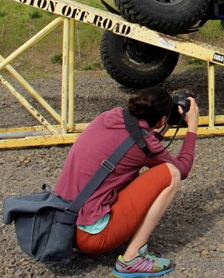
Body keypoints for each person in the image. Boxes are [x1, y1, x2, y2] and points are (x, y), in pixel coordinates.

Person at [54, 87, 200, 278]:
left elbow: (136, 145)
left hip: (63, 226)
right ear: (162, 119)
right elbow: (183, 169)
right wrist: (192, 126)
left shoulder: (109, 116)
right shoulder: (144, 143)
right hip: (91, 238)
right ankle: (132, 259)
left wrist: (164, 125)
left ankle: (120, 236)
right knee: (170, 173)